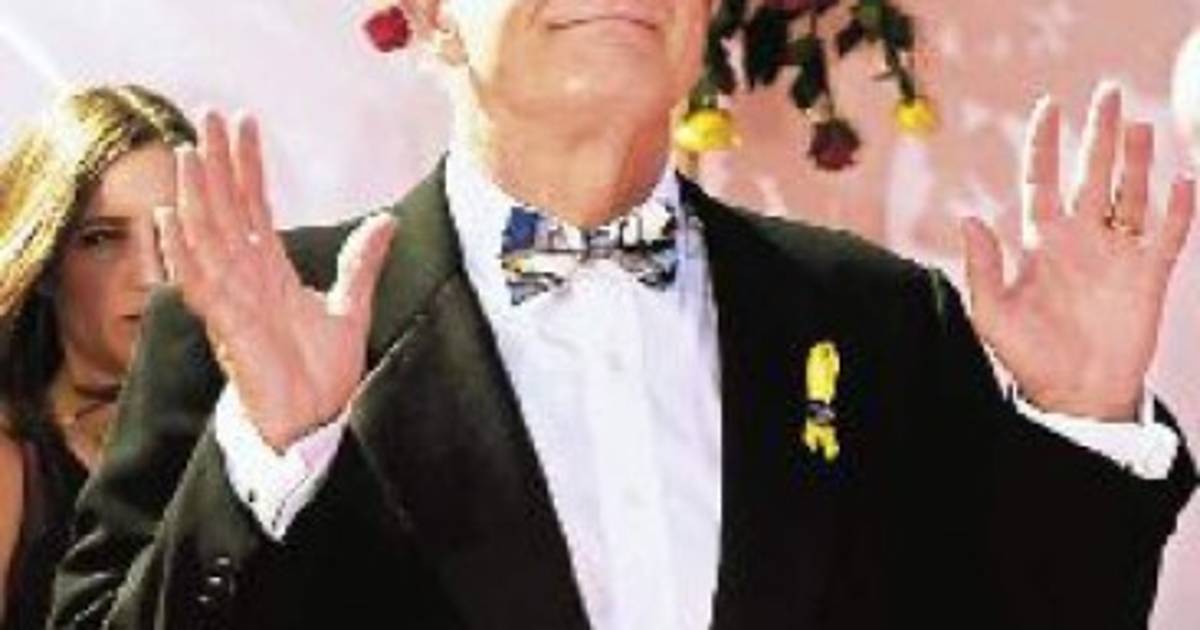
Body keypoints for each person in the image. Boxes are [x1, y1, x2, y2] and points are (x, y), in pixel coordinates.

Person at [52, 2, 1197, 629]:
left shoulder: (879, 316)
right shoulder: (253, 322)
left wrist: (1084, 421)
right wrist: (270, 455)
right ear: (429, 16)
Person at [0, 84, 195, 630]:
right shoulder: (14, 465)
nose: (153, 275)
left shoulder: (257, 440)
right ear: (44, 263)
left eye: (174, 231)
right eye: (103, 239)